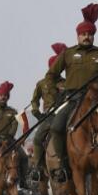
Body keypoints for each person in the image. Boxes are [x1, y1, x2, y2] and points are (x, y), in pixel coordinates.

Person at [46, 4, 98, 182]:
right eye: (83, 34)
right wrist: (60, 86)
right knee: (56, 127)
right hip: (74, 99)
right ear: (78, 36)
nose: (86, 37)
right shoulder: (68, 54)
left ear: (93, 36)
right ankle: (63, 165)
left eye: (89, 34)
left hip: (96, 100)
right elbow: (51, 76)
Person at [29, 42, 67, 181]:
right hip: (48, 116)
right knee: (38, 138)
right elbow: (34, 100)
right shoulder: (42, 83)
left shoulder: (65, 82)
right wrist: (36, 112)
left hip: (63, 113)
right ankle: (38, 168)